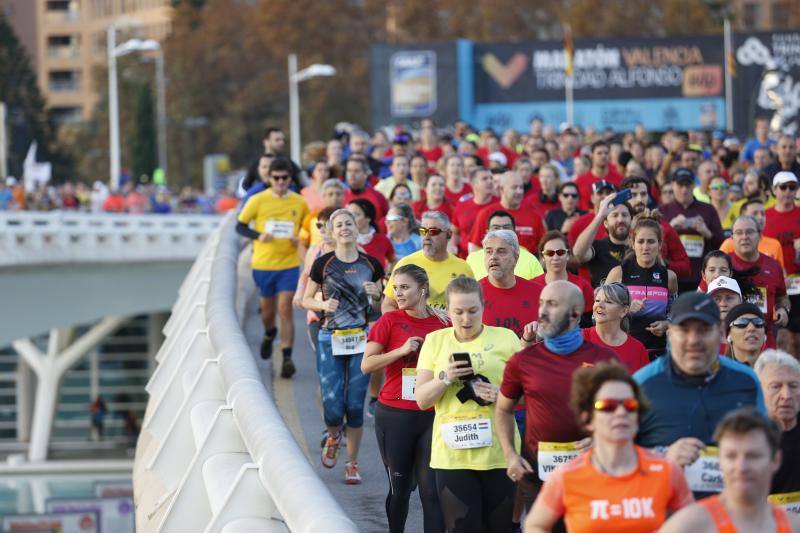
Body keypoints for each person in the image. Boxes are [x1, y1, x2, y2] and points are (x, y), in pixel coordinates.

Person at [495, 281, 616, 520]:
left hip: (591, 471)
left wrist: (602, 439)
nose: (542, 311)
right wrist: (510, 455)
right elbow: (503, 410)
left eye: (552, 304)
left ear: (575, 312)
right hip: (537, 474)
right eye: (541, 303)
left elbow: (623, 410)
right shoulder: (523, 360)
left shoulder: (603, 359)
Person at [524, 361, 693, 532]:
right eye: (607, 406)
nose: (621, 413)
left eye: (630, 406)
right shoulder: (565, 476)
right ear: (588, 418)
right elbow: (535, 525)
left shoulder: (666, 470)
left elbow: (694, 526)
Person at [415, 276, 522, 533]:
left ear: (484, 306)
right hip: (453, 456)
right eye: (458, 312)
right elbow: (422, 400)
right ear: (447, 310)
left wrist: (502, 394)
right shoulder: (435, 341)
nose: (466, 319)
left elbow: (529, 393)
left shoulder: (507, 338)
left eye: (473, 311)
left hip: (499, 453)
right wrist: (445, 377)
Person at [634, 292, 766, 491]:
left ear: (721, 332)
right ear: (669, 333)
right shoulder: (642, 384)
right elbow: (619, 459)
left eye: (704, 330)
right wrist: (662, 458)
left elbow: (764, 448)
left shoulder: (746, 380)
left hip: (731, 514)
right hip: (667, 514)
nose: (694, 340)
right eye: (684, 330)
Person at [301, 208, 385, 484]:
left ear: (357, 227)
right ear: (332, 231)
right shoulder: (322, 263)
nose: (345, 228)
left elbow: (378, 308)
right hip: (329, 337)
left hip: (360, 338)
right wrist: (323, 304)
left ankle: (352, 463)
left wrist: (375, 296)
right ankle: (334, 435)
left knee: (354, 404)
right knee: (333, 405)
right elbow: (305, 299)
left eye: (349, 223)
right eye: (339, 225)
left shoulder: (372, 264)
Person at [363, 265, 448, 533]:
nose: (397, 293)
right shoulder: (388, 321)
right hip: (395, 415)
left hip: (432, 413)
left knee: (431, 491)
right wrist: (400, 351)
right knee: (400, 489)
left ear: (422, 289)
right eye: (395, 288)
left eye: (404, 287)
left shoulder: (443, 323)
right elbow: (367, 365)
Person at [661, 408, 800, 533]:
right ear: (720, 460)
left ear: (775, 460)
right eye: (731, 456)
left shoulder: (794, 526)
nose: (741, 467)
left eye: (753, 456)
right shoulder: (690, 526)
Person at [236, 157, 309, 377]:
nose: (280, 182)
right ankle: (269, 332)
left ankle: (287, 357)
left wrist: (300, 240)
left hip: (288, 263)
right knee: (268, 311)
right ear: (270, 178)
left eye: (284, 178)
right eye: (276, 178)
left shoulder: (299, 202)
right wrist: (259, 235)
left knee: (285, 308)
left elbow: (307, 229)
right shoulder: (258, 200)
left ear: (290, 179)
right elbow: (240, 226)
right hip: (263, 264)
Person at [606, 213, 678, 359]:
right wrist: (625, 309)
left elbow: (676, 314)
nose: (645, 247)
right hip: (623, 349)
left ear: (659, 244)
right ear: (633, 243)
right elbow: (599, 314)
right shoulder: (618, 273)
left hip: (658, 351)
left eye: (651, 241)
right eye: (641, 241)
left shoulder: (669, 277)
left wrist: (666, 324)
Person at [383, 211, 474, 312]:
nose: (426, 237)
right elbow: (388, 305)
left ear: (448, 234)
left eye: (433, 231)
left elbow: (473, 305)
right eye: (422, 231)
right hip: (416, 326)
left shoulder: (463, 267)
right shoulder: (406, 264)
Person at [726, 215, 789, 349]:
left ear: (760, 235)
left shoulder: (773, 266)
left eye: (749, 232)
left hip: (765, 337)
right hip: (732, 338)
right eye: (739, 233)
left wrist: (783, 309)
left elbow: (782, 298)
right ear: (732, 237)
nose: (744, 237)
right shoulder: (723, 265)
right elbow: (704, 296)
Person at [661, 167, 725, 292]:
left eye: (688, 185)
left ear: (694, 185)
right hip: (672, 276)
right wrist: (670, 227)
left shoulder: (708, 209)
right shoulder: (664, 210)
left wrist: (706, 232)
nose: (684, 190)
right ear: (673, 185)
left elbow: (722, 243)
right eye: (680, 185)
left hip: (702, 277)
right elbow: (654, 243)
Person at [478, 230, 543, 338]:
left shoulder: (539, 293)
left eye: (501, 251)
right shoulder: (472, 293)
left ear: (516, 258)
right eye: (489, 251)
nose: (493, 257)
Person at [754, 349, 800, 495]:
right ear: (759, 391)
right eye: (776, 386)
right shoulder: (748, 437)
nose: (786, 396)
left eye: (793, 386)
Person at [765, 171, 800, 356]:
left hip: (798, 282)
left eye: (792, 187)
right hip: (776, 284)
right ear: (774, 190)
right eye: (783, 187)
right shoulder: (764, 215)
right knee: (782, 336)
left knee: (797, 340)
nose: (787, 191)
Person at [470, 172, 546, 254]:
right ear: (501, 189)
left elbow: (543, 248)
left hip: (527, 265)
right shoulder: (486, 214)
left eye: (521, 187)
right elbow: (475, 248)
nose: (519, 191)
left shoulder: (534, 216)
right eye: (514, 187)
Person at [583, 283, 649, 373]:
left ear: (624, 311)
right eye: (597, 300)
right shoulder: (579, 338)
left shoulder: (638, 349)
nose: (600, 305)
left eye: (608, 302)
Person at [573, 192, 633, 287]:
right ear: (605, 223)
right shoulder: (598, 247)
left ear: (631, 220)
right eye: (615, 215)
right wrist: (600, 216)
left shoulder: (639, 247)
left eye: (625, 215)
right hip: (604, 300)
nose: (620, 220)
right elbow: (578, 253)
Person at [466, 211, 544, 280]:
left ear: (514, 231)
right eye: (496, 228)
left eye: (506, 228)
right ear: (487, 231)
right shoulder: (472, 259)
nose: (501, 231)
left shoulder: (530, 260)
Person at [721, 198, 786, 270]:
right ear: (743, 216)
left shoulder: (775, 244)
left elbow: (780, 274)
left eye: (763, 214)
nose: (760, 217)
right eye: (755, 213)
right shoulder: (729, 244)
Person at [452, 168, 497, 258]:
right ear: (473, 184)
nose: (490, 181)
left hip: (491, 259)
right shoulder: (462, 205)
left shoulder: (499, 205)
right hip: (464, 259)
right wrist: (452, 249)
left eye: (491, 178)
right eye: (484, 179)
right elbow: (455, 232)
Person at [574, 140, 624, 211]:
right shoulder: (579, 182)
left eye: (606, 153)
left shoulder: (619, 179)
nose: (603, 156)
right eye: (599, 153)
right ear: (591, 155)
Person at [347, 198, 395, 269]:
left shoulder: (383, 239)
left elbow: (393, 261)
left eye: (355, 215)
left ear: (368, 218)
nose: (350, 219)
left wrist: (388, 274)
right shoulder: (343, 240)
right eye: (348, 214)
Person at [344, 155, 389, 221]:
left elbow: (386, 220)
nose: (352, 174)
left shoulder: (378, 196)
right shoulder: (340, 196)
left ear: (365, 174)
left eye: (356, 171)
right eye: (349, 170)